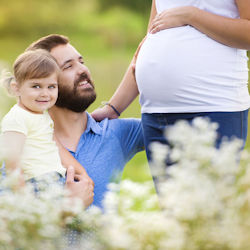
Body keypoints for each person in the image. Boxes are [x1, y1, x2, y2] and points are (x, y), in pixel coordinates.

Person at [92, 0, 250, 164]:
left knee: (209, 189)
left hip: (213, 110)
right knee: (170, 190)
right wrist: (113, 107)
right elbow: (150, 39)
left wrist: (192, 15)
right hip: (156, 116)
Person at [25, 34, 144, 208]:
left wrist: (189, 16)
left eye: (81, 62)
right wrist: (67, 211)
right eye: (68, 66)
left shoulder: (116, 133)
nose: (82, 70)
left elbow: (185, 127)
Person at [1, 49, 94, 207]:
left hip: (55, 182)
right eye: (36, 86)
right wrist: (25, 202)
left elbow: (56, 147)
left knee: (73, 226)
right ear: (16, 88)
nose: (45, 93)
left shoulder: (42, 115)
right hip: (35, 186)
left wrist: (81, 172)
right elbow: (12, 164)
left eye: (51, 87)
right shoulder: (17, 118)